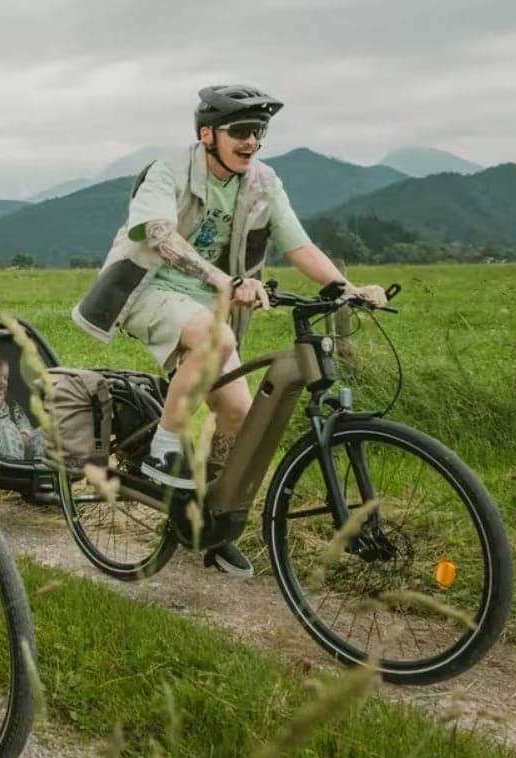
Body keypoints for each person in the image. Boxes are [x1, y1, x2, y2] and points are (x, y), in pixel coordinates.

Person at [68, 84, 388, 577]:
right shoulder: (168, 169)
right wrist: (223, 280)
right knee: (217, 339)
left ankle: (211, 528)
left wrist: (347, 288)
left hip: (210, 302)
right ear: (207, 134)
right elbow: (158, 233)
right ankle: (165, 449)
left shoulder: (263, 182)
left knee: (240, 416)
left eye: (258, 132)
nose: (251, 141)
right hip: (148, 287)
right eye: (240, 131)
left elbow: (299, 245)